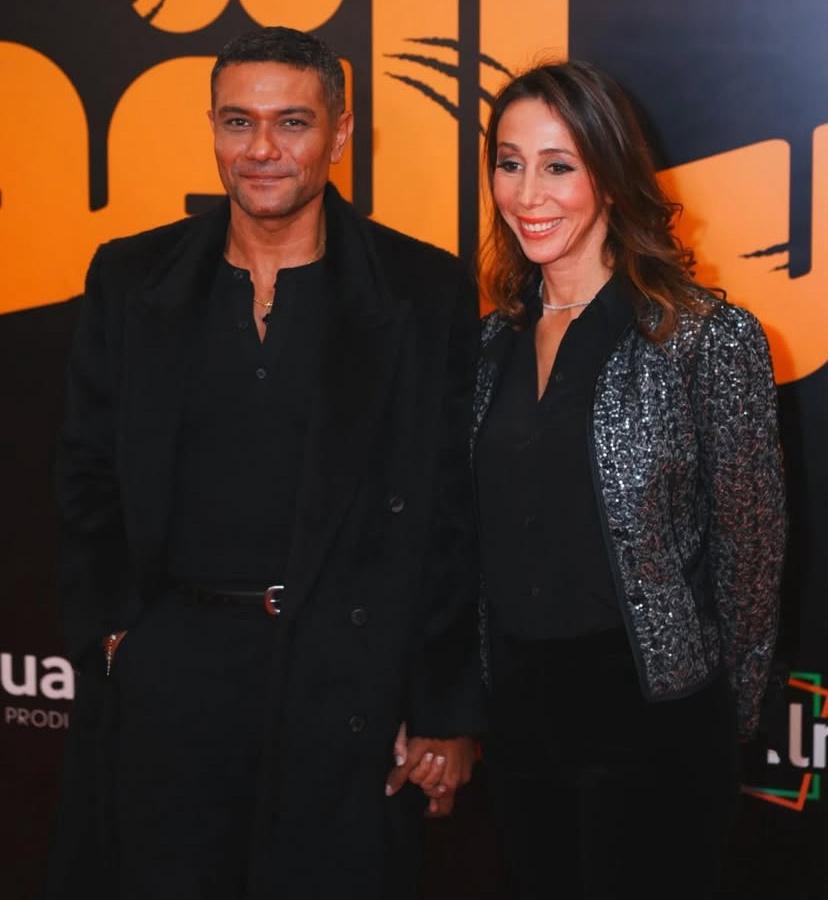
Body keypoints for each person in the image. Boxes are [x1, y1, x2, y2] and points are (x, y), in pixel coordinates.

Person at [47, 26, 482, 900]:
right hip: (173, 675)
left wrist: (443, 707)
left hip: (343, 678)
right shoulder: (131, 277)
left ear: (340, 132)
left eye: (292, 122)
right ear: (212, 127)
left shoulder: (422, 290)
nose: (262, 150)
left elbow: (451, 512)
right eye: (238, 122)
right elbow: (85, 468)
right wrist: (119, 632)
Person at [472, 61, 785, 900]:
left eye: (558, 165)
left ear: (610, 176)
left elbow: (751, 553)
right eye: (509, 164)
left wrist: (725, 719)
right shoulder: (488, 346)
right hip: (519, 725)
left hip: (655, 724)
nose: (527, 194)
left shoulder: (703, 338)